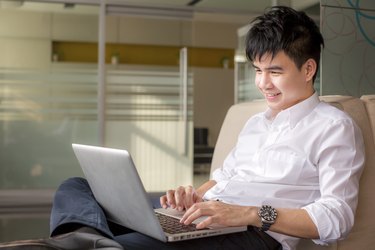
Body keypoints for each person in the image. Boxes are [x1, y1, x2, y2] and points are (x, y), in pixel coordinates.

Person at [0, 6, 364, 250]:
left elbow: (337, 217)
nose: (263, 83)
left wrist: (250, 212)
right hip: (210, 215)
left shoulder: (334, 127)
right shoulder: (256, 123)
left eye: (275, 71)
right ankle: (95, 241)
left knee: (126, 239)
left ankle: (91, 241)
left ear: (308, 69)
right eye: (257, 70)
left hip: (253, 236)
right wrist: (194, 197)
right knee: (76, 186)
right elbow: (223, 178)